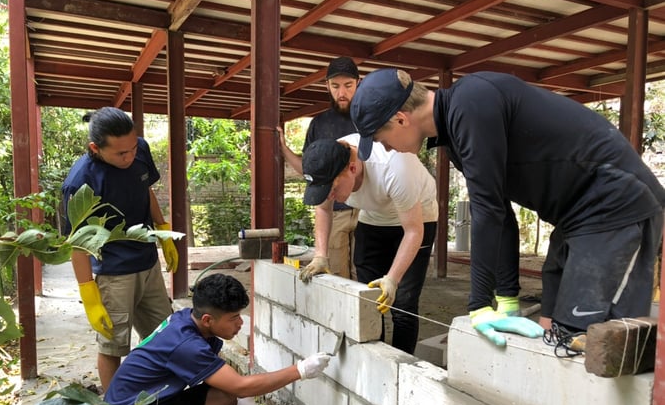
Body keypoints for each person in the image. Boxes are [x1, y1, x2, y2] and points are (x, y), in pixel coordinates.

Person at [349, 67, 665, 350]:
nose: (386, 148)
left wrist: (479, 306)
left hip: (618, 204)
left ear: (400, 119)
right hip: (576, 217)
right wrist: (507, 298)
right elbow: (500, 214)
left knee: (593, 339)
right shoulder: (456, 132)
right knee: (551, 325)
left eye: (380, 138)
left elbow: (488, 211)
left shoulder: (472, 100)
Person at [100, 273, 330, 405]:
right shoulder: (186, 344)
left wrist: (242, 395)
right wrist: (300, 370)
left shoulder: (189, 320)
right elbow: (240, 385)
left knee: (225, 396)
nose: (240, 323)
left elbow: (225, 379)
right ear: (208, 319)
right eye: (233, 318)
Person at [62, 107, 179, 390]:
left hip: (147, 262)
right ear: (95, 148)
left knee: (165, 335)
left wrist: (162, 229)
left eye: (132, 148)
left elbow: (145, 189)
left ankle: (157, 398)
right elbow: (77, 245)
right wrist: (89, 292)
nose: (130, 157)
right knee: (113, 347)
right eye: (120, 153)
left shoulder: (138, 149)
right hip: (113, 273)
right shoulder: (80, 182)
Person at [299, 133, 438, 354]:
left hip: (418, 216)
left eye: (333, 190)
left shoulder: (395, 165)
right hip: (373, 216)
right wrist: (320, 255)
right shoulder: (327, 163)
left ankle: (401, 365)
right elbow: (323, 208)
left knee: (403, 302)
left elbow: (413, 231)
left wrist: (392, 279)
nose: (331, 196)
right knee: (369, 297)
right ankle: (375, 358)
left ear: (352, 169)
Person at [278, 56, 360, 279]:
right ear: (327, 86)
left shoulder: (371, 118)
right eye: (335, 86)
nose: (341, 92)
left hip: (369, 209)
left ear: (358, 83)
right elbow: (310, 172)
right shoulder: (319, 124)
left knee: (368, 275)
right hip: (334, 209)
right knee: (336, 275)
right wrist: (284, 149)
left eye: (348, 85)